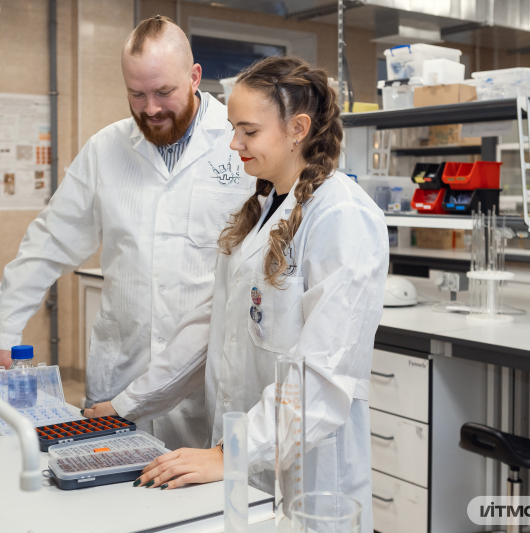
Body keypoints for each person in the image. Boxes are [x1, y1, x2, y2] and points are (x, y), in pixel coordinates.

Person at [83, 56, 388, 532]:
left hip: (308, 472)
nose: (233, 144)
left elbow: (320, 378)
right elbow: (210, 330)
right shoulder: (264, 208)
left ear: (298, 128)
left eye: (248, 131)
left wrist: (231, 453)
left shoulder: (342, 216)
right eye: (232, 128)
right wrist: (124, 406)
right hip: (245, 461)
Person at [0, 16, 254, 451]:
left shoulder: (240, 146)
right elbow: (49, 242)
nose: (150, 109)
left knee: (197, 513)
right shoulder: (105, 149)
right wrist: (2, 333)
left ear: (195, 76)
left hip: (204, 383)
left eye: (164, 92)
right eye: (136, 94)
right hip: (121, 371)